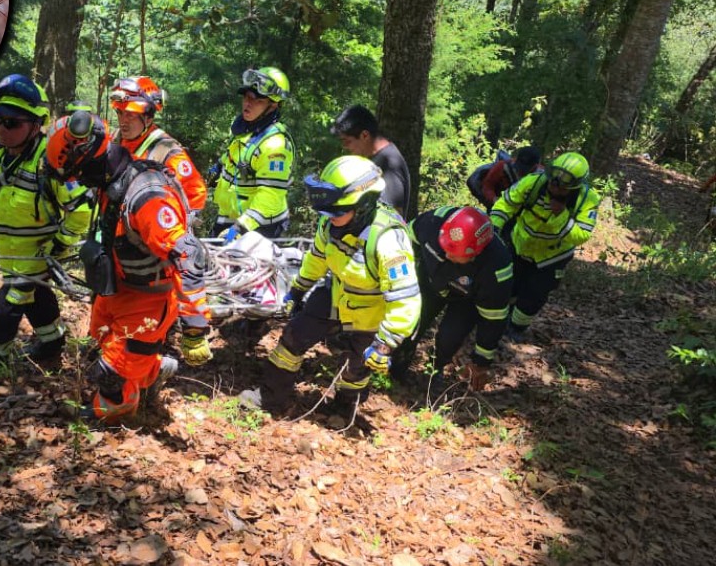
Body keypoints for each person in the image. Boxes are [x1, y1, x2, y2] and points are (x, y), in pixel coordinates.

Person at [44, 111, 213, 420]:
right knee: (99, 348)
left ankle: (113, 417)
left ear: (88, 158)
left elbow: (190, 255)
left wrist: (195, 326)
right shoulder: (113, 180)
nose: (78, 181)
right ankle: (152, 368)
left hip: (147, 301)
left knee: (109, 377)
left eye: (77, 173)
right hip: (118, 290)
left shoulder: (145, 196)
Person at [239, 156, 421, 416]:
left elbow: (406, 298)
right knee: (293, 338)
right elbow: (317, 257)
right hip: (335, 294)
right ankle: (270, 399)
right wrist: (298, 289)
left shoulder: (388, 238)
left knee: (357, 369)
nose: (329, 217)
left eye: (337, 211)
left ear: (364, 204)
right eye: (326, 211)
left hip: (370, 314)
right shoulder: (330, 222)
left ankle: (344, 409)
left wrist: (386, 342)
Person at [0, 74, 91, 375]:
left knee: (9, 302)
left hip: (40, 252)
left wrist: (59, 246)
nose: (3, 128)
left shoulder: (51, 159)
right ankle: (52, 343)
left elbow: (81, 210)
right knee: (37, 296)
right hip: (10, 249)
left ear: (36, 125)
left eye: (12, 123)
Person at [388, 206, 513, 391]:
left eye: (455, 254)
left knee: (450, 337)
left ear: (476, 253)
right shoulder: (431, 223)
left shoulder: (497, 270)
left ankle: (436, 367)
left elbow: (493, 320)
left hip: (467, 299)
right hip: (430, 280)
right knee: (412, 322)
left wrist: (481, 361)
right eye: (445, 247)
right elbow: (403, 244)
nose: (446, 254)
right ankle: (396, 367)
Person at [490, 151, 600, 340]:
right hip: (519, 245)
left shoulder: (587, 200)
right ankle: (497, 320)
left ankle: (516, 328)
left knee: (534, 295)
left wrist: (561, 216)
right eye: (552, 183)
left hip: (552, 257)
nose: (554, 189)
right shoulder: (533, 182)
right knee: (507, 285)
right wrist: (494, 229)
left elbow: (581, 235)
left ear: (574, 187)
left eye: (561, 188)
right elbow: (505, 204)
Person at [212, 67, 294, 241]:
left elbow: (270, 196)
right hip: (230, 216)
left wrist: (241, 227)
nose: (247, 103)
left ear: (273, 106)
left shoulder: (275, 146)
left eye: (256, 100)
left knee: (244, 267)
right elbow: (235, 159)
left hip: (260, 225)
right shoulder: (248, 130)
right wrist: (217, 168)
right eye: (246, 97)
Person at [109, 75, 206, 216]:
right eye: (120, 112)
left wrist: (173, 225)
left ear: (148, 118)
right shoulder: (113, 140)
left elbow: (195, 193)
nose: (123, 121)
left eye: (130, 115)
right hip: (112, 229)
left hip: (149, 232)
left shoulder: (167, 151)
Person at [330, 104, 411, 218]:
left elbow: (394, 216)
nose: (345, 147)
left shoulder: (389, 164)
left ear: (364, 135)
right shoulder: (371, 160)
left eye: (347, 141)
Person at [466, 146, 542, 212]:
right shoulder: (502, 167)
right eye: (519, 166)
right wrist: (494, 199)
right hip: (498, 206)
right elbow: (487, 186)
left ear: (535, 165)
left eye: (524, 169)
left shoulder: (541, 177)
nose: (520, 171)